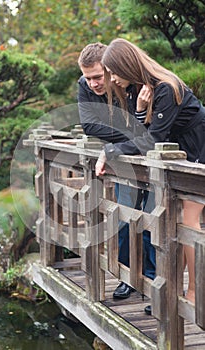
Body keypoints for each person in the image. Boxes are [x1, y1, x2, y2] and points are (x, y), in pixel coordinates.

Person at [95, 38, 205, 306]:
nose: (113, 79)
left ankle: (194, 293)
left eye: (114, 72)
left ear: (127, 65)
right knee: (173, 223)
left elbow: (149, 142)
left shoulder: (166, 88)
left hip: (199, 152)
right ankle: (174, 291)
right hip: (178, 156)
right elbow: (137, 137)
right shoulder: (137, 91)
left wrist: (109, 151)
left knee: (188, 221)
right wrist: (140, 110)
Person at [77, 42, 156, 306]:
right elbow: (89, 126)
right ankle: (128, 277)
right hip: (121, 158)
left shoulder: (128, 83)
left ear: (110, 71)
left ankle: (153, 278)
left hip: (150, 156)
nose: (93, 84)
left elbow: (145, 127)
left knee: (152, 220)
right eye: (88, 78)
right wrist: (125, 137)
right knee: (124, 217)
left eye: (97, 77)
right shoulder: (85, 85)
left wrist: (131, 134)